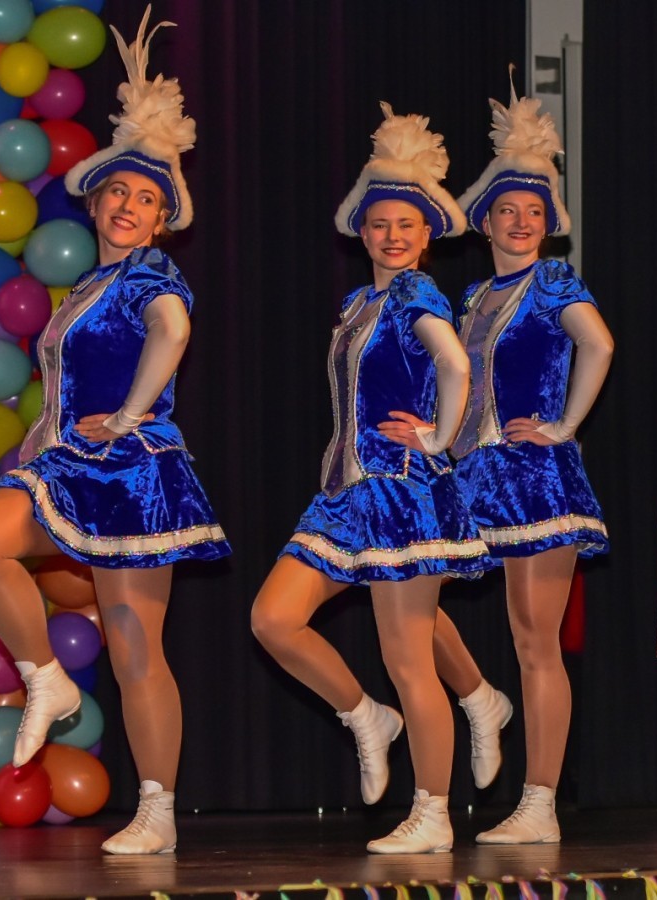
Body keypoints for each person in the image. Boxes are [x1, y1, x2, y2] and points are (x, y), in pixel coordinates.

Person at [0, 8, 228, 855]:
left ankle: (158, 810)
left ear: (161, 219)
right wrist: (41, 445)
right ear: (97, 201)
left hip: (134, 471)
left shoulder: (151, 274)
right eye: (119, 194)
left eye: (146, 200)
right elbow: (61, 390)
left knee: (136, 648)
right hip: (65, 465)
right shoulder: (81, 291)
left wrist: (136, 414)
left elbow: (174, 332)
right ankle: (46, 677)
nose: (129, 207)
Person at [249, 104, 494, 854]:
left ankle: (433, 812)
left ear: (426, 237)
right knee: (273, 619)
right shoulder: (361, 303)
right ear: (363, 233)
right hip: (344, 493)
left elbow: (456, 364)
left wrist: (438, 437)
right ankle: (365, 715)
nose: (392, 236)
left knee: (408, 657)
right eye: (380, 225)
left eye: (406, 226)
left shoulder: (416, 294)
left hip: (401, 492)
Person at [450, 70, 614, 844]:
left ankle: (540, 801)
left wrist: (564, 424)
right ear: (486, 220)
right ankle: (482, 698)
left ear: (550, 224)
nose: (521, 222)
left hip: (535, 476)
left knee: (533, 638)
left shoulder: (551, 279)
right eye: (508, 211)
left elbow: (599, 344)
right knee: (405, 589)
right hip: (473, 473)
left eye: (534, 212)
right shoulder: (473, 298)